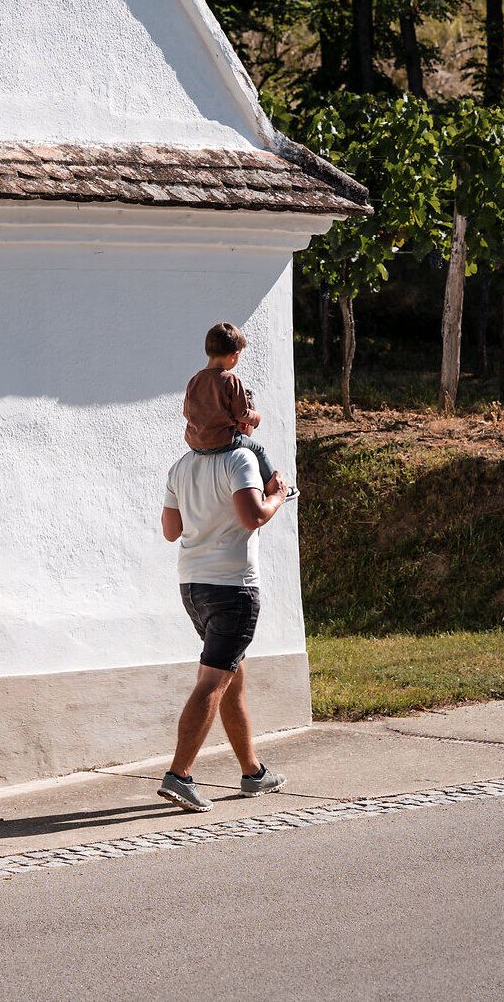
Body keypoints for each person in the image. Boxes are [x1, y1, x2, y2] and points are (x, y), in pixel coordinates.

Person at [157, 431, 291, 813]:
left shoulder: (181, 466)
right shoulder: (240, 460)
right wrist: (278, 495)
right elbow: (253, 517)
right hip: (233, 589)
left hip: (193, 587)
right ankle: (179, 776)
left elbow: (171, 532)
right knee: (214, 681)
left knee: (233, 675)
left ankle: (253, 773)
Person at [183, 321, 282, 494]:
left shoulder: (194, 380)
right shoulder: (230, 380)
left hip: (195, 443)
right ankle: (273, 489)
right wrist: (257, 418)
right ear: (234, 355)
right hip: (222, 442)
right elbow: (241, 413)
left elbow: (186, 412)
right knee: (259, 450)